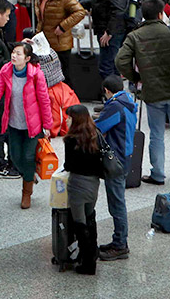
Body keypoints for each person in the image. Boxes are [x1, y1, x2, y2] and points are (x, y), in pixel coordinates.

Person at [117, 0, 170, 186]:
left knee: (156, 133)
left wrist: (135, 78)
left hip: (152, 92)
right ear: (160, 14)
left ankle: (157, 174)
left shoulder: (135, 36)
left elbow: (120, 61)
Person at [0, 41, 55, 208]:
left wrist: (47, 126)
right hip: (13, 123)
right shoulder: (6, 71)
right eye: (13, 52)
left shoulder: (36, 74)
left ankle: (26, 192)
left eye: (19, 53)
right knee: (15, 157)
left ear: (28, 58)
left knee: (29, 157)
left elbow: (44, 101)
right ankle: (30, 175)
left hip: (33, 126)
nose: (14, 56)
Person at [61, 104, 105, 275]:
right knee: (90, 216)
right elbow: (108, 153)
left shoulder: (71, 140)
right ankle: (92, 253)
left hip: (77, 185)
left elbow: (69, 165)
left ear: (75, 120)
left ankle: (87, 263)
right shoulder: (96, 135)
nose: (66, 119)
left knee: (79, 223)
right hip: (94, 184)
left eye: (69, 117)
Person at [95, 75, 136, 260]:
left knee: (117, 204)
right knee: (118, 201)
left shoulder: (115, 106)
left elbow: (98, 127)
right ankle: (118, 241)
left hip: (115, 160)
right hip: (125, 157)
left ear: (106, 90)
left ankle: (120, 245)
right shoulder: (127, 101)